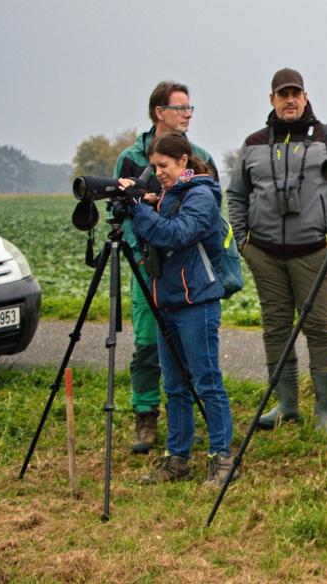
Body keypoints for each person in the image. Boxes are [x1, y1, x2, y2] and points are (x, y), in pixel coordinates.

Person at [227, 68, 327, 435]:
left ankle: (325, 411)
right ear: (271, 99)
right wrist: (243, 241)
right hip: (265, 254)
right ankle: (286, 404)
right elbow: (236, 194)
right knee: (276, 329)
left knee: (320, 329)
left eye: (295, 93)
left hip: (315, 251)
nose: (290, 100)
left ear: (305, 95)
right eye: (282, 94)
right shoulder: (252, 143)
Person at [120, 133, 235, 487]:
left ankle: (222, 458)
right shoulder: (168, 195)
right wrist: (144, 207)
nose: (158, 173)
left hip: (196, 301)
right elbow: (151, 241)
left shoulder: (201, 194)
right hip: (166, 299)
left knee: (206, 381)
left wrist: (140, 210)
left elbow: (176, 234)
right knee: (174, 386)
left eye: (164, 166)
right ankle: (177, 458)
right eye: (154, 166)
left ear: (184, 161)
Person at [114, 81, 218, 454]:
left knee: (195, 358)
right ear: (160, 112)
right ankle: (146, 415)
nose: (188, 115)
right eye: (182, 108)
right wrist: (140, 250)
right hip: (146, 265)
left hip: (187, 271)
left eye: (191, 109)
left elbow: (205, 221)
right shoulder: (130, 156)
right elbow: (121, 211)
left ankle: (198, 427)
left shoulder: (200, 156)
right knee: (146, 344)